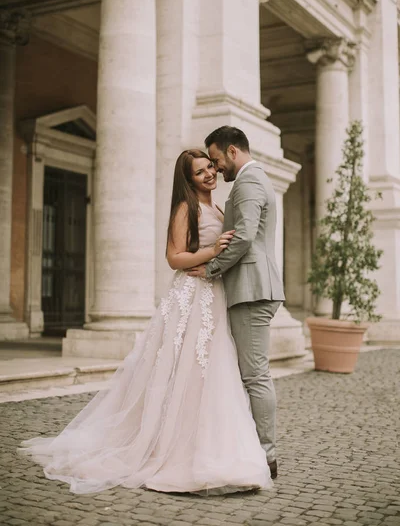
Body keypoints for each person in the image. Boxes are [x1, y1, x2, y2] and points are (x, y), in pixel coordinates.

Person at [18, 149, 273, 495]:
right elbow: (174, 257)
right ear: (189, 180)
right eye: (200, 172)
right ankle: (170, 447)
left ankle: (213, 446)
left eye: (210, 167)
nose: (210, 174)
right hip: (192, 295)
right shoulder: (186, 208)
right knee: (186, 370)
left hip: (215, 296)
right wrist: (212, 253)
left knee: (211, 372)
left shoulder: (217, 207)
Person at [187, 127, 285, 480]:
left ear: (231, 152)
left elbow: (243, 236)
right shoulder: (252, 179)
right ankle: (253, 449)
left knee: (256, 376)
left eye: (215, 160)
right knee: (250, 375)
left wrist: (211, 268)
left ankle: (267, 456)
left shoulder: (247, 182)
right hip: (251, 288)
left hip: (252, 289)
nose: (216, 169)